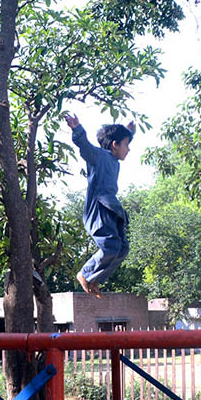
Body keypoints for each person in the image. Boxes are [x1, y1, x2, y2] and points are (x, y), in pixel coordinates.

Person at [65, 113, 136, 297]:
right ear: (115, 145)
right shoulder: (100, 156)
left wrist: (129, 131)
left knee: (123, 248)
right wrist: (77, 129)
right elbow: (85, 148)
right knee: (110, 246)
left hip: (112, 207)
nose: (128, 150)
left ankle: (94, 278)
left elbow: (120, 137)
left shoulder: (113, 158)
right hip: (99, 208)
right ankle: (85, 273)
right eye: (127, 145)